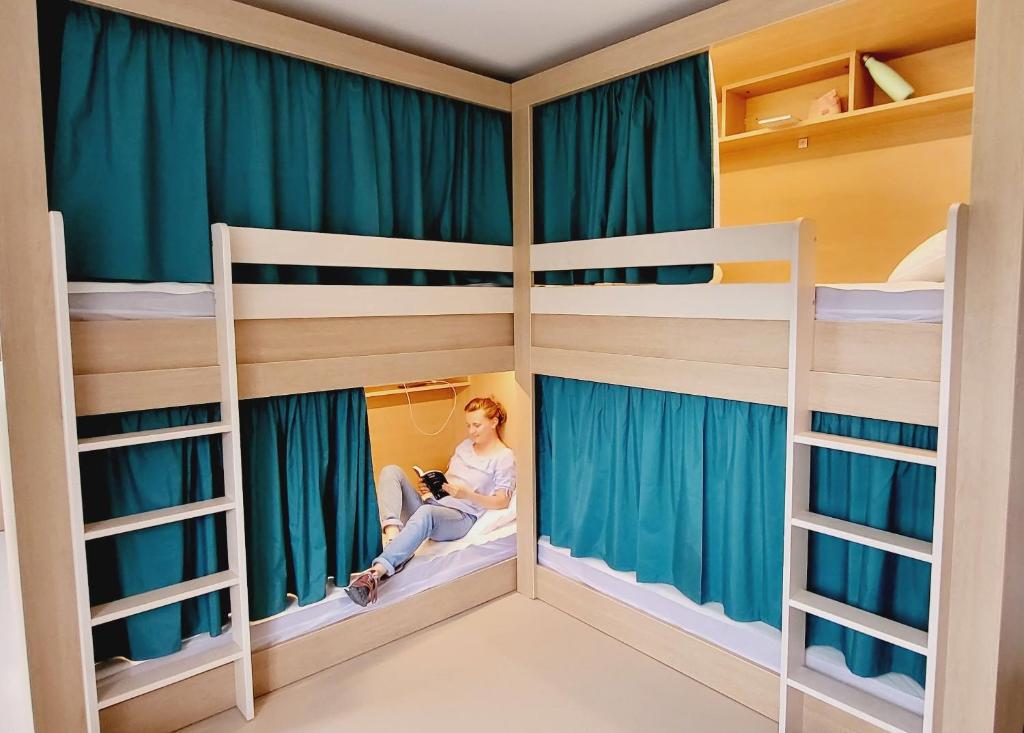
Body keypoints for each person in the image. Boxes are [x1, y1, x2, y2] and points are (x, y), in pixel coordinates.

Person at [345, 396, 515, 607]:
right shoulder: (465, 446)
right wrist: (430, 489)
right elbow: (450, 479)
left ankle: (376, 572)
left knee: (426, 514)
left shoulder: (504, 457)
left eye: (477, 425)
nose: (471, 431)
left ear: (494, 421)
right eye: (468, 425)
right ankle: (393, 535)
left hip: (461, 516)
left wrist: (466, 495)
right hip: (435, 504)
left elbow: (502, 502)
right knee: (391, 471)